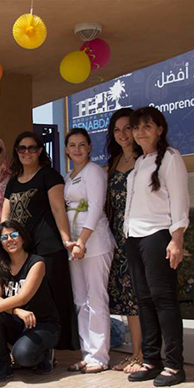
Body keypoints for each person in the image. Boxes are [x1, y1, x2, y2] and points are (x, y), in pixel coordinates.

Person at [125, 107, 189, 387]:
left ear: (159, 129)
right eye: (136, 128)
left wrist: (177, 239)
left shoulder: (171, 159)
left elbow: (179, 201)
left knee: (164, 300)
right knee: (144, 301)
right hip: (135, 238)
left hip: (158, 235)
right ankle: (152, 360)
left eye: (147, 127)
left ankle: (174, 366)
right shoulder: (140, 162)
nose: (140, 132)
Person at [2, 131, 79, 350]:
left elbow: (58, 209)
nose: (27, 152)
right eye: (22, 148)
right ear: (16, 152)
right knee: (26, 296)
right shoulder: (12, 182)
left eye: (32, 148)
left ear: (40, 151)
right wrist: (4, 243)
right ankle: (32, 342)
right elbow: (5, 217)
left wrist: (66, 240)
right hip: (22, 250)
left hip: (48, 246)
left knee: (55, 295)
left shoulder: (50, 175)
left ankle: (63, 346)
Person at [64, 128, 115, 374]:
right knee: (80, 300)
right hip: (74, 246)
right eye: (72, 145)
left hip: (93, 243)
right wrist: (72, 243)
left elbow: (95, 208)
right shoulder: (68, 176)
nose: (77, 149)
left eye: (82, 144)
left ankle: (100, 356)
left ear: (89, 147)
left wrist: (82, 240)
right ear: (66, 149)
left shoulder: (94, 172)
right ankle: (87, 353)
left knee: (96, 298)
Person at [0, 221, 60, 382]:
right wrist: (16, 311)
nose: (9, 239)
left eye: (14, 235)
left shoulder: (36, 263)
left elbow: (23, 297)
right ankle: (3, 363)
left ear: (23, 238)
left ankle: (45, 354)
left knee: (23, 357)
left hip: (41, 323)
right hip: (17, 320)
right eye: (4, 237)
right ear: (0, 243)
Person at [104, 109, 143, 373]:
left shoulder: (147, 160)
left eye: (127, 128)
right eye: (117, 130)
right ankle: (137, 352)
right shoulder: (114, 161)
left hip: (141, 234)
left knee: (142, 295)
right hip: (117, 237)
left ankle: (144, 354)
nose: (123, 134)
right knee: (129, 298)